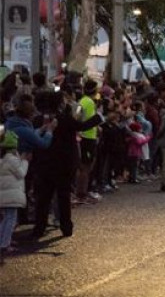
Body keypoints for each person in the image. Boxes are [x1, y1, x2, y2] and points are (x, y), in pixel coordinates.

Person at [31, 86, 101, 239]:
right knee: (63, 196)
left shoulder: (38, 120)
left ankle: (39, 228)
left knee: (43, 197)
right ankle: (66, 226)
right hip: (64, 163)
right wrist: (98, 117)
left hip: (44, 163)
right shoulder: (65, 118)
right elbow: (82, 126)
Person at [0, 131, 28, 261]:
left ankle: (4, 240)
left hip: (4, 194)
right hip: (12, 195)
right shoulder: (12, 160)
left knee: (6, 218)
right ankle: (5, 244)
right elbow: (21, 173)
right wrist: (25, 161)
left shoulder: (3, 159)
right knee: (11, 219)